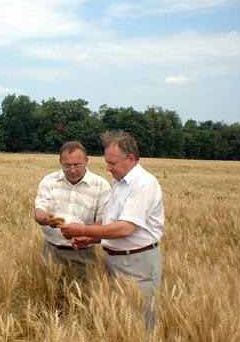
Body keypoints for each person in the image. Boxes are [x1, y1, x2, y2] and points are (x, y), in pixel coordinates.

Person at [59, 131, 164, 328]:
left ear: (131, 159)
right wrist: (89, 238)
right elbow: (111, 222)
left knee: (141, 323)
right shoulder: (120, 183)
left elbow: (125, 228)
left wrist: (83, 229)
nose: (108, 168)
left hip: (137, 262)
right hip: (117, 260)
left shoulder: (143, 183)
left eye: (112, 163)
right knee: (121, 321)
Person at [34, 141, 110, 279]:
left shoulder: (100, 185)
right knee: (50, 295)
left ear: (86, 161)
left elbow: (104, 220)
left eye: (77, 165)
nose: (73, 170)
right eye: (67, 166)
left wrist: (85, 235)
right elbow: (39, 211)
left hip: (84, 252)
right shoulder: (49, 181)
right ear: (60, 162)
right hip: (52, 250)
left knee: (84, 297)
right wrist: (46, 219)